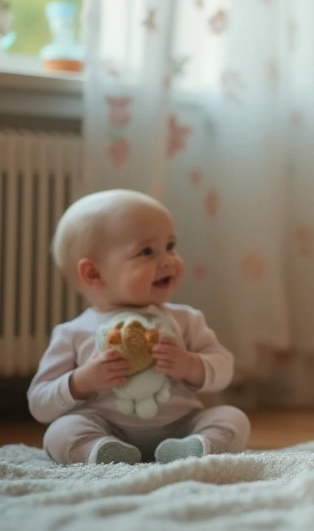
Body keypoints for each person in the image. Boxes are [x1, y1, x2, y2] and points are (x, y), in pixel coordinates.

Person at [28, 189, 249, 464]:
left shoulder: (186, 320)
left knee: (232, 418)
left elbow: (224, 368)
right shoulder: (72, 333)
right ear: (94, 273)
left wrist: (190, 364)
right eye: (147, 251)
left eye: (170, 246)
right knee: (59, 432)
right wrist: (81, 381)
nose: (168, 260)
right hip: (104, 425)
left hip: (181, 425)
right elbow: (39, 403)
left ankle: (195, 448)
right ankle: (102, 451)